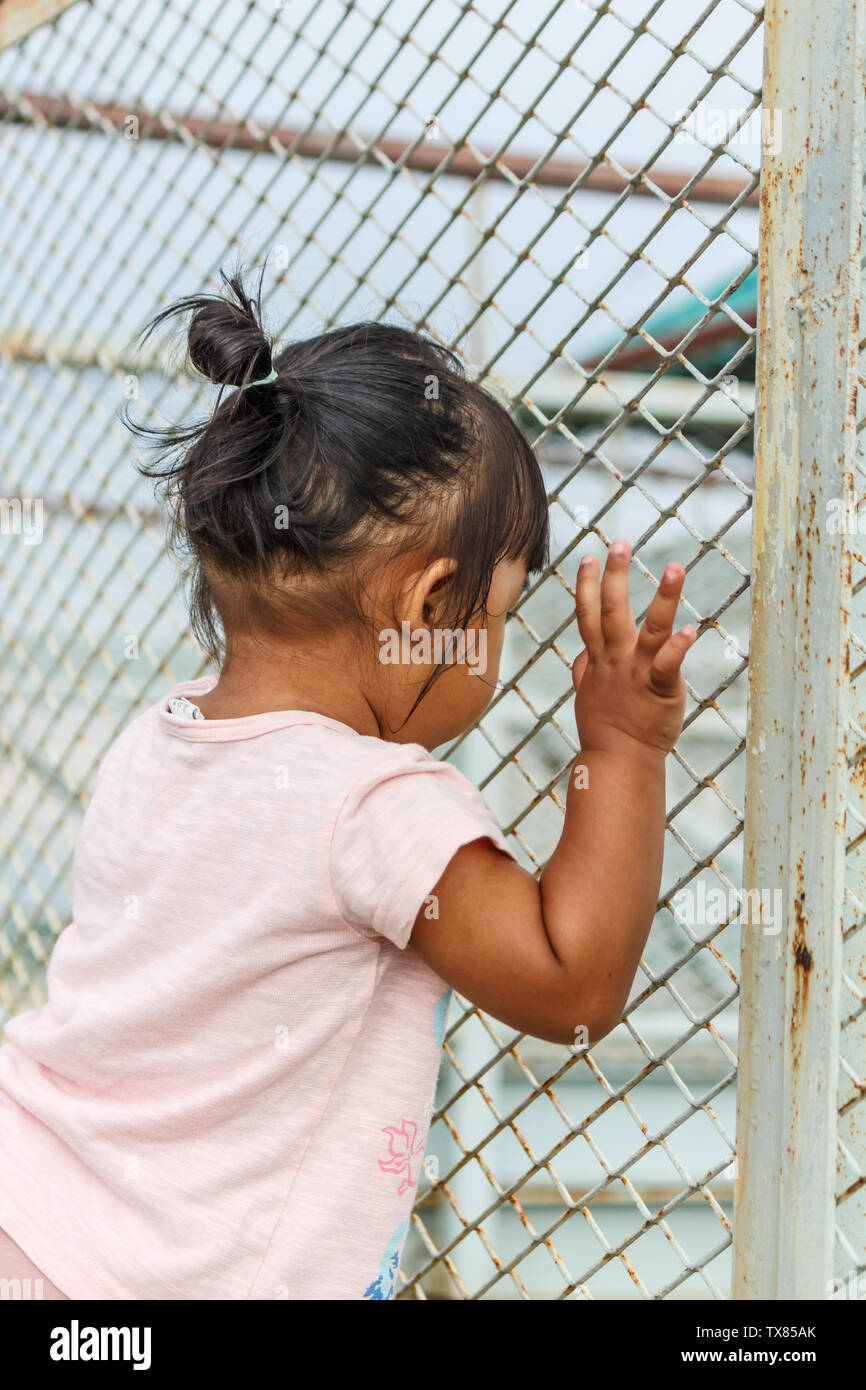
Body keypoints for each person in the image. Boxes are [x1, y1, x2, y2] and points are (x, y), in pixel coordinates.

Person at [0, 266, 695, 1300]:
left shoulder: (160, 737)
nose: (499, 644)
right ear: (424, 602)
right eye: (498, 612)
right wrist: (624, 747)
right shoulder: (375, 801)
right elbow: (572, 983)